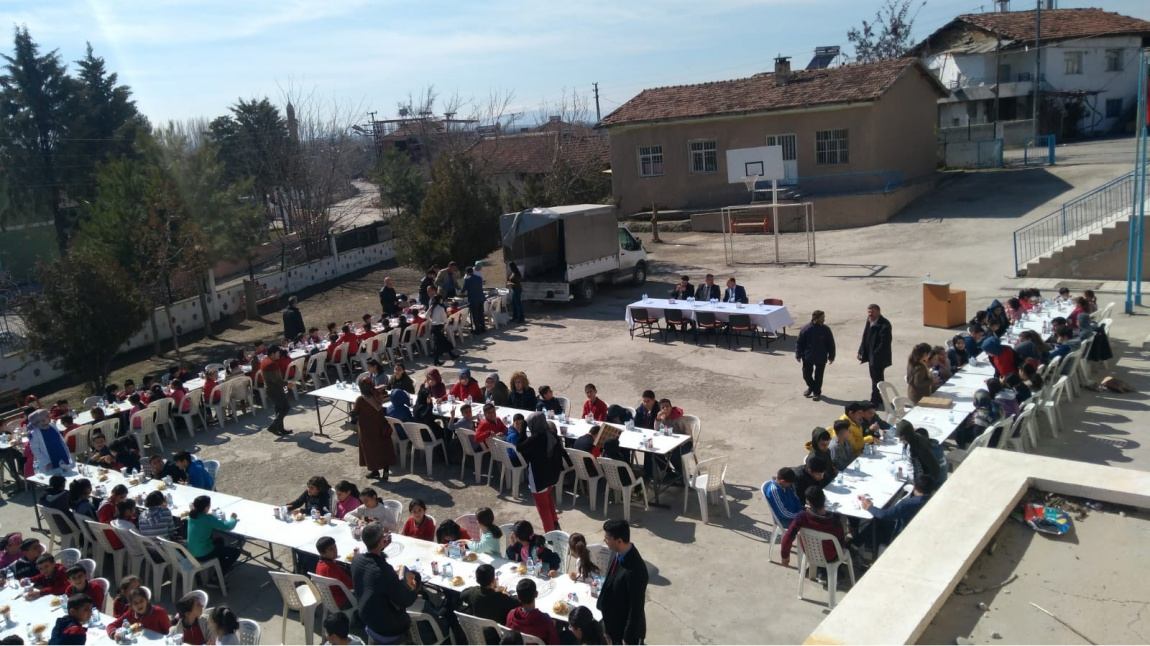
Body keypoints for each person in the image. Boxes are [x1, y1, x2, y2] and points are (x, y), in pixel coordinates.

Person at [352, 523, 419, 643]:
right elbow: (405, 600)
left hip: (366, 617)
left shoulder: (356, 559)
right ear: (382, 541)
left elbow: (373, 567)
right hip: (387, 627)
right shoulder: (383, 571)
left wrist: (381, 546)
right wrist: (416, 586)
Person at [597, 519, 648, 645]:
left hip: (622, 631)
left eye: (607, 538)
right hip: (612, 622)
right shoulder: (619, 553)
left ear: (619, 541)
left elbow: (636, 608)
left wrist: (628, 638)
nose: (605, 541)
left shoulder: (636, 570)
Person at [857, 475, 934, 549]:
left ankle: (856, 546)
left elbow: (884, 515)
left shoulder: (909, 503)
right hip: (922, 530)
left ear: (915, 487)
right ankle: (857, 545)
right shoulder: (932, 498)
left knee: (877, 522)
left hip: (904, 533)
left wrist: (869, 507)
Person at [779, 487, 847, 569]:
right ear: (824, 499)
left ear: (808, 502)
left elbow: (788, 537)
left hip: (810, 554)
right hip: (830, 557)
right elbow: (841, 544)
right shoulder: (834, 522)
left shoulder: (802, 517)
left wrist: (785, 557)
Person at [519, 412, 566, 532]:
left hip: (538, 478)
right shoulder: (553, 435)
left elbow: (519, 447)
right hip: (551, 477)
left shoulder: (535, 439)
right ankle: (555, 522)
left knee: (543, 508)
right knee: (548, 499)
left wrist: (522, 429)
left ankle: (550, 533)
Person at [354, 380, 396, 481]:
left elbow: (355, 412)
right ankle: (385, 472)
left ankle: (375, 471)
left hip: (367, 430)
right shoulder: (377, 395)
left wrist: (353, 414)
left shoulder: (360, 399)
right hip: (381, 427)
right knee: (384, 449)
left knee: (371, 451)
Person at [187, 495, 241, 572]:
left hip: (191, 552)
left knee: (219, 540)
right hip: (202, 554)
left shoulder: (191, 516)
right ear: (206, 508)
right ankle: (219, 575)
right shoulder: (208, 519)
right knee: (236, 552)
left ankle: (219, 565)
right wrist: (233, 519)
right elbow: (227, 526)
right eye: (209, 505)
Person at [857, 304, 893, 408]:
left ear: (878, 311)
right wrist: (861, 350)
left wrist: (874, 355)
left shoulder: (885, 325)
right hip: (871, 356)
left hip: (879, 358)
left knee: (876, 379)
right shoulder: (869, 321)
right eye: (868, 312)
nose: (870, 314)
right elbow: (865, 336)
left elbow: (884, 343)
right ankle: (881, 398)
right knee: (877, 379)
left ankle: (874, 401)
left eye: (872, 312)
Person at [505, 579, 559, 645]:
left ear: (518, 597)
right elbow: (554, 642)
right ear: (536, 594)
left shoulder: (511, 615)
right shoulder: (545, 620)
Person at [796, 310, 835, 400]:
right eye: (822, 318)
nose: (824, 320)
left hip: (821, 356)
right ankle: (812, 387)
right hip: (808, 356)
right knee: (806, 375)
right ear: (816, 318)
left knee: (819, 376)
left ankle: (817, 393)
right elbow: (799, 343)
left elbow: (831, 344)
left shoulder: (826, 329)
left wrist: (831, 356)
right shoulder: (806, 329)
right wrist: (798, 354)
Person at [26, 409, 73, 474]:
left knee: (67, 472)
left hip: (61, 455)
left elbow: (60, 440)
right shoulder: (34, 433)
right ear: (41, 421)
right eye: (47, 416)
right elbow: (35, 450)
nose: (50, 417)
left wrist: (67, 452)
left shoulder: (52, 426)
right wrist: (46, 462)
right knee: (56, 476)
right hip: (50, 460)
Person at [896, 421, 941, 487]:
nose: (900, 440)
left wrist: (915, 485)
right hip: (930, 474)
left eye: (901, 437)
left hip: (927, 480)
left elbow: (918, 470)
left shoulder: (916, 448)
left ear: (907, 435)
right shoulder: (917, 437)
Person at [259, 346, 292, 436]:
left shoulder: (265, 361)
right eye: (278, 353)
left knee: (279, 409)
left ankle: (280, 429)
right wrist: (287, 384)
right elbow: (277, 380)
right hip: (275, 390)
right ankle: (273, 426)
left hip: (271, 389)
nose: (279, 354)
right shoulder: (271, 364)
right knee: (286, 408)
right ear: (272, 354)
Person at [315, 536, 356, 610]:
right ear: (323, 553)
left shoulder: (320, 564)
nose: (335, 550)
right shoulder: (331, 568)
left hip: (329, 600)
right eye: (331, 549)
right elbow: (351, 585)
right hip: (342, 601)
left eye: (335, 547)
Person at [427, 293, 459, 365]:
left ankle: (451, 355)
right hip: (439, 327)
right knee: (439, 344)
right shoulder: (441, 308)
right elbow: (444, 320)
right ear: (440, 300)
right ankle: (436, 361)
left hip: (433, 327)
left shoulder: (432, 307)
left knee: (442, 342)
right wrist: (449, 320)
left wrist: (431, 321)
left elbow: (426, 316)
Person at [463, 266, 486, 334]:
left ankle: (477, 329)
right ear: (472, 271)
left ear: (467, 273)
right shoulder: (479, 278)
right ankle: (483, 328)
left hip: (473, 299)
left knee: (475, 315)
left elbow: (464, 289)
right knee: (481, 313)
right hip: (481, 298)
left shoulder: (467, 280)